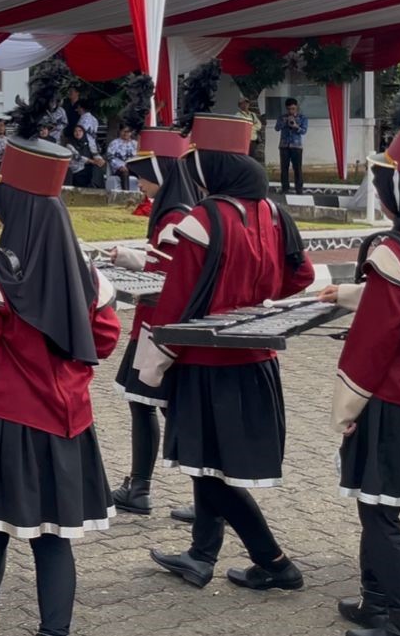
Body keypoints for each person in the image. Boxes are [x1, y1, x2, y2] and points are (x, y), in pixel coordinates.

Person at [0, 61, 120, 636]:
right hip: (69, 420)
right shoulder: (87, 273)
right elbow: (105, 337)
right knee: (54, 536)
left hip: (6, 417)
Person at [135, 61, 315, 595]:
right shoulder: (274, 212)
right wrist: (258, 300)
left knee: (209, 470)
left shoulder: (203, 218)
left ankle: (275, 560)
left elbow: (175, 304)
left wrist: (153, 364)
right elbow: (300, 274)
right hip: (257, 361)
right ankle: (201, 555)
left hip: (206, 364)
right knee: (204, 466)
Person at [320, 72, 400, 636]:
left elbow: (372, 344)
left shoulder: (399, 247)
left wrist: (344, 411)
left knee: (378, 506)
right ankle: (375, 602)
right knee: (381, 504)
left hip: (392, 401)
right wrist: (346, 292)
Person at [107, 78, 202, 522]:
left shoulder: (175, 218)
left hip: (158, 327)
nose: (140, 182)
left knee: (144, 402)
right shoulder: (175, 211)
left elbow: (167, 279)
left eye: (145, 174)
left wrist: (128, 265)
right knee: (152, 404)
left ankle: (141, 487)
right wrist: (129, 257)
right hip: (158, 323)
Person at [276, 98, 308, 194]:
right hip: (284, 145)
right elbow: (277, 128)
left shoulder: (302, 118)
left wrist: (296, 126)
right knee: (284, 168)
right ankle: (285, 188)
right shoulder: (282, 117)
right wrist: (284, 122)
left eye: (293, 109)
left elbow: (304, 131)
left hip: (296, 146)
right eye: (289, 109)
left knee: (297, 168)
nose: (291, 111)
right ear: (286, 108)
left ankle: (299, 188)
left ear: (296, 107)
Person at [64, 123, 105, 189]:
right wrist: (92, 161)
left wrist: (100, 159)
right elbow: (78, 157)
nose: (78, 133)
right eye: (75, 131)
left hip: (88, 166)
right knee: (93, 168)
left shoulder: (88, 143)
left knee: (97, 167)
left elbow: (95, 153)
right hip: (77, 168)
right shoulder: (69, 144)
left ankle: (95, 186)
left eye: (80, 131)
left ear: (83, 132)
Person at [237, 96, 265, 167]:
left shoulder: (252, 115)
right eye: (243, 103)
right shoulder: (238, 115)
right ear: (240, 105)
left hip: (253, 140)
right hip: (244, 140)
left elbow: (259, 125)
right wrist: (250, 126)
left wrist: (251, 127)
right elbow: (242, 126)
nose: (245, 105)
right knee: (245, 158)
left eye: (246, 103)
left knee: (252, 158)